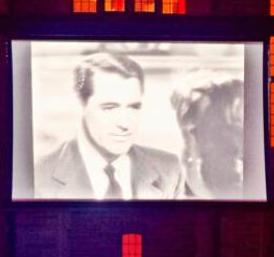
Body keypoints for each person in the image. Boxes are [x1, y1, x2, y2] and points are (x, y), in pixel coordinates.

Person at [34, 52, 184, 200]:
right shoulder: (38, 174)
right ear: (80, 106)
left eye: (133, 107)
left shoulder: (169, 169)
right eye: (109, 108)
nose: (124, 124)